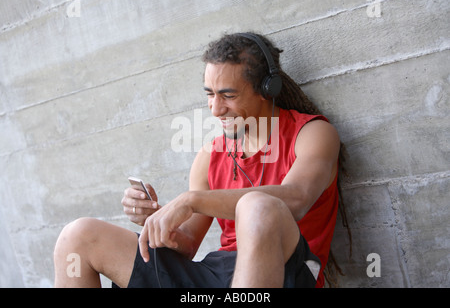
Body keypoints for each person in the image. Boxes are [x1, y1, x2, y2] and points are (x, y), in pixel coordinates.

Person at [53, 32, 341, 288]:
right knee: (77, 237)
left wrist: (191, 200)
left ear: (268, 90)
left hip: (288, 271)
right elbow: (188, 244)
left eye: (228, 95)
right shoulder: (210, 154)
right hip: (218, 274)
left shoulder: (313, 133)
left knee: (257, 206)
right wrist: (160, 221)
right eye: (210, 95)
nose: (216, 110)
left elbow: (297, 199)